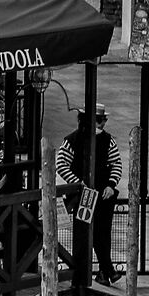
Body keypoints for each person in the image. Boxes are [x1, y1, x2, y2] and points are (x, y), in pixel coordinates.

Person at [55, 106, 124, 284]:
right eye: (100, 120)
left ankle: (104, 272)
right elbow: (61, 164)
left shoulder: (108, 140)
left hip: (103, 194)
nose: (103, 123)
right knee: (85, 234)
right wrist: (79, 183)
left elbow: (116, 164)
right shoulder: (72, 140)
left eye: (104, 120)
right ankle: (104, 270)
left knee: (102, 232)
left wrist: (111, 185)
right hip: (84, 194)